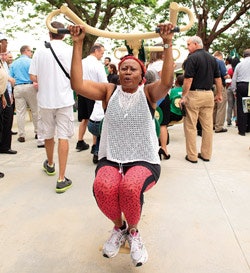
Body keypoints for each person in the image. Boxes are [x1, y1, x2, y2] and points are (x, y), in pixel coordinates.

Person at [69, 22, 174, 267]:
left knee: (130, 187)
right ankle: (120, 228)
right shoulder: (108, 91)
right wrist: (76, 44)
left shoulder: (148, 93)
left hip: (144, 159)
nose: (127, 72)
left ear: (141, 75)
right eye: (123, 69)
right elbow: (77, 84)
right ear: (118, 72)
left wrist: (167, 43)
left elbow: (167, 82)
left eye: (133, 69)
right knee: (103, 187)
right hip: (112, 157)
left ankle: (134, 233)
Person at [29, 21, 75, 193]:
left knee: (48, 134)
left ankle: (50, 164)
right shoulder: (70, 50)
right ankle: (62, 178)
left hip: (45, 100)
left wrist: (46, 78)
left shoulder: (40, 51)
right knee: (63, 137)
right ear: (63, 34)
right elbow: (76, 73)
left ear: (49, 33)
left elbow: (33, 75)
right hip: (64, 99)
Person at [180, 36, 223, 163]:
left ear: (195, 44)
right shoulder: (212, 58)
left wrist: (184, 95)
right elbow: (218, 78)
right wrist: (219, 93)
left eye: (189, 44)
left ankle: (192, 156)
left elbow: (188, 79)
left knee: (190, 126)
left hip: (194, 94)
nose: (187, 47)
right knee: (208, 127)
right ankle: (206, 154)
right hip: (209, 94)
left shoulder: (191, 58)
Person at [76, 43, 108, 153]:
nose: (102, 56)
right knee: (95, 118)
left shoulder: (81, 62)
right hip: (94, 94)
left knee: (84, 118)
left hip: (81, 93)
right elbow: (104, 82)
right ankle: (95, 145)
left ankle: (80, 141)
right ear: (96, 51)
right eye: (102, 53)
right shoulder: (98, 65)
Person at [10, 45, 39, 143]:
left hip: (18, 87)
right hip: (30, 86)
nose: (31, 53)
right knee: (35, 110)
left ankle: (21, 135)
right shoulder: (31, 62)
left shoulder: (13, 64)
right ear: (26, 51)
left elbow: (11, 78)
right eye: (30, 51)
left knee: (20, 112)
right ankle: (38, 132)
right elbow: (35, 75)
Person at [147, 49, 171, 160]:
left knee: (151, 121)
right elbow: (165, 80)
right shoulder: (161, 64)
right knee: (163, 124)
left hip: (150, 95)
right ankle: (164, 148)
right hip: (162, 95)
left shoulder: (150, 65)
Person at [0, 33, 17, 155]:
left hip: (5, 92)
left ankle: (5, 146)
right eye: (4, 42)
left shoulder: (3, 61)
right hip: (2, 92)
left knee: (7, 119)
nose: (5, 45)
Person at [231, 48, 250, 136]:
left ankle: (242, 130)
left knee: (242, 108)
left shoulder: (240, 64)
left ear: (244, 55)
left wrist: (234, 90)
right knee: (249, 106)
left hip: (242, 85)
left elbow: (234, 78)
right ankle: (249, 127)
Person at [213, 51, 230, 133]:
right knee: (221, 106)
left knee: (214, 107)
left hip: (210, 86)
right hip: (219, 85)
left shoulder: (210, 61)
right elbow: (225, 75)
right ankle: (219, 127)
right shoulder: (220, 62)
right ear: (220, 56)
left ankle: (212, 124)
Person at [87, 100, 104, 164]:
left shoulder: (97, 98)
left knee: (99, 135)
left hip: (91, 124)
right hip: (100, 124)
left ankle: (96, 152)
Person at [226, 57, 240, 126]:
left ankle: (228, 121)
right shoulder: (239, 69)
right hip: (237, 88)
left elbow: (227, 81)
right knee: (236, 105)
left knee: (229, 105)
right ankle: (237, 121)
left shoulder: (230, 70)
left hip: (229, 88)